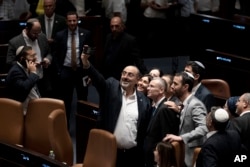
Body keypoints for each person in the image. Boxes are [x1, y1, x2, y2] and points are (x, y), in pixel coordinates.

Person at [81, 50, 151, 167]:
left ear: (138, 80)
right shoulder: (111, 87)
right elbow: (98, 79)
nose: (125, 77)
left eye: (130, 75)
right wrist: (86, 62)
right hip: (108, 150)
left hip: (131, 155)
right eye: (124, 73)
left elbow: (143, 129)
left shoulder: (144, 101)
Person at [53, 11, 92, 126]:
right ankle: (65, 129)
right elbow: (55, 54)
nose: (72, 23)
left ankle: (83, 126)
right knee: (66, 101)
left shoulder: (86, 33)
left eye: (74, 20)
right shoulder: (60, 35)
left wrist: (90, 73)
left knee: (83, 100)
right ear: (66, 21)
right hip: (66, 71)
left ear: (77, 20)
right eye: (70, 21)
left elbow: (91, 54)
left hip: (82, 72)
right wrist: (59, 71)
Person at [163, 71, 208, 167]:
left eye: (175, 84)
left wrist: (181, 138)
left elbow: (203, 128)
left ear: (185, 87)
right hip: (183, 153)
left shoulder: (195, 104)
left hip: (191, 155)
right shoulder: (183, 104)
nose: (171, 86)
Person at [6, 18, 52, 98]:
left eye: (39, 33)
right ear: (27, 29)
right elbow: (10, 62)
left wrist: (47, 59)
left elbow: (49, 53)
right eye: (34, 33)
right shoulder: (15, 42)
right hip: (26, 81)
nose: (37, 36)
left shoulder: (42, 37)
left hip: (42, 79)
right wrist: (26, 65)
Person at [144, 77, 180, 167]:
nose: (148, 88)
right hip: (149, 157)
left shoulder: (165, 109)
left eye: (151, 86)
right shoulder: (154, 107)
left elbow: (165, 138)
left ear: (161, 90)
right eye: (148, 86)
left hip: (157, 160)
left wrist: (160, 162)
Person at [6, 46, 40, 114]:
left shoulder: (26, 68)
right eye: (32, 56)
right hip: (23, 111)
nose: (35, 58)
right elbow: (24, 88)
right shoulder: (15, 71)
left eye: (35, 55)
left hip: (34, 107)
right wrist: (33, 73)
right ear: (22, 58)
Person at [228, 92, 250, 165]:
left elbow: (232, 146)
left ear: (245, 104)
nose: (236, 104)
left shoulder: (237, 122)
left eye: (239, 101)